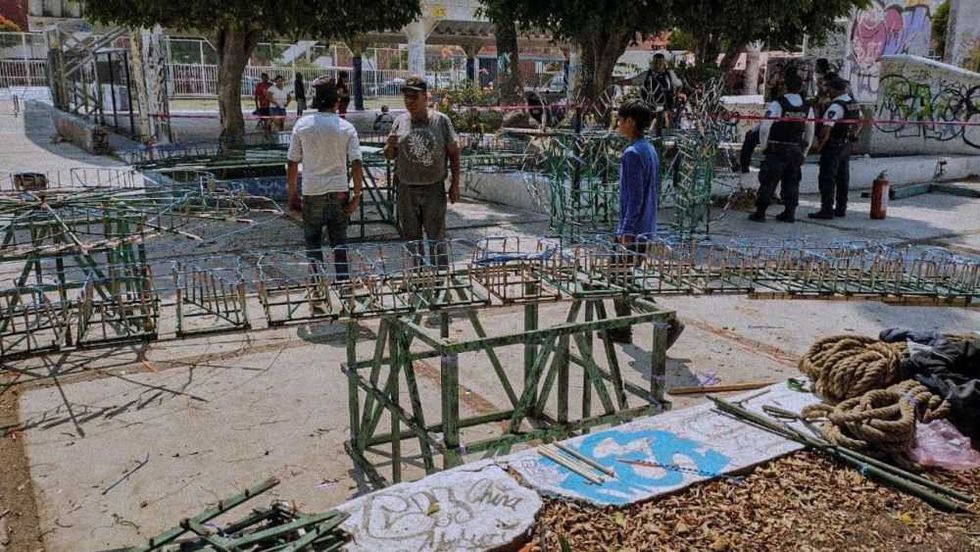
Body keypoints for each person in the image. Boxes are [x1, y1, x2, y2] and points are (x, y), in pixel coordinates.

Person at [607, 99, 684, 347]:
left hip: (633, 229)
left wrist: (626, 231)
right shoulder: (648, 149)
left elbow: (635, 195)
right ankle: (623, 327)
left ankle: (665, 321)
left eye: (620, 119)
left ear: (630, 122)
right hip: (645, 226)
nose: (618, 124)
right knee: (623, 277)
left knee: (619, 276)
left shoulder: (632, 153)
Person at [287, 77, 363, 289]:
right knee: (339, 242)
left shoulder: (302, 126)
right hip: (339, 192)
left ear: (315, 101)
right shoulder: (346, 128)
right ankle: (344, 287)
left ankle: (318, 289)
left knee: (313, 242)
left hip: (312, 192)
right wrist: (357, 195)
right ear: (336, 102)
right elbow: (357, 163)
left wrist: (292, 194)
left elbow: (292, 163)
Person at [383, 76, 461, 268]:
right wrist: (389, 146)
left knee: (436, 237)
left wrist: (455, 184)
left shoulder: (441, 121)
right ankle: (417, 276)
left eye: (414, 97)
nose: (409, 101)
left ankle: (440, 277)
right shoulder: (400, 122)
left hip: (433, 189)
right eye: (406, 97)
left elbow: (454, 153)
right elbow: (389, 155)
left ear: (426, 97)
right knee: (411, 238)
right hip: (406, 189)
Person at [749, 69, 814, 223]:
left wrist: (764, 146)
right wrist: (805, 151)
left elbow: (765, 127)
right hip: (795, 150)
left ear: (785, 86)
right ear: (801, 87)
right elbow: (810, 130)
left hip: (777, 149)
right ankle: (789, 212)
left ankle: (760, 212)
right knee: (792, 182)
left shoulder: (778, 104)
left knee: (768, 182)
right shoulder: (806, 106)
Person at [809, 77, 860, 219]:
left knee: (827, 178)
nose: (827, 91)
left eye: (829, 88)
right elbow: (858, 123)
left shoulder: (836, 106)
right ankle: (841, 208)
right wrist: (852, 135)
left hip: (833, 146)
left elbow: (826, 129)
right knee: (843, 178)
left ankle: (826, 210)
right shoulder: (853, 103)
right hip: (845, 145)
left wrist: (820, 146)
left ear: (834, 89)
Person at [639, 53, 683, 135]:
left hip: (666, 105)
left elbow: (679, 84)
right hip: (650, 106)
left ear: (664, 63)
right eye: (656, 62)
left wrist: (676, 94)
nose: (658, 65)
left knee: (665, 124)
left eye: (660, 62)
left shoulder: (669, 74)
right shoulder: (647, 75)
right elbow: (633, 81)